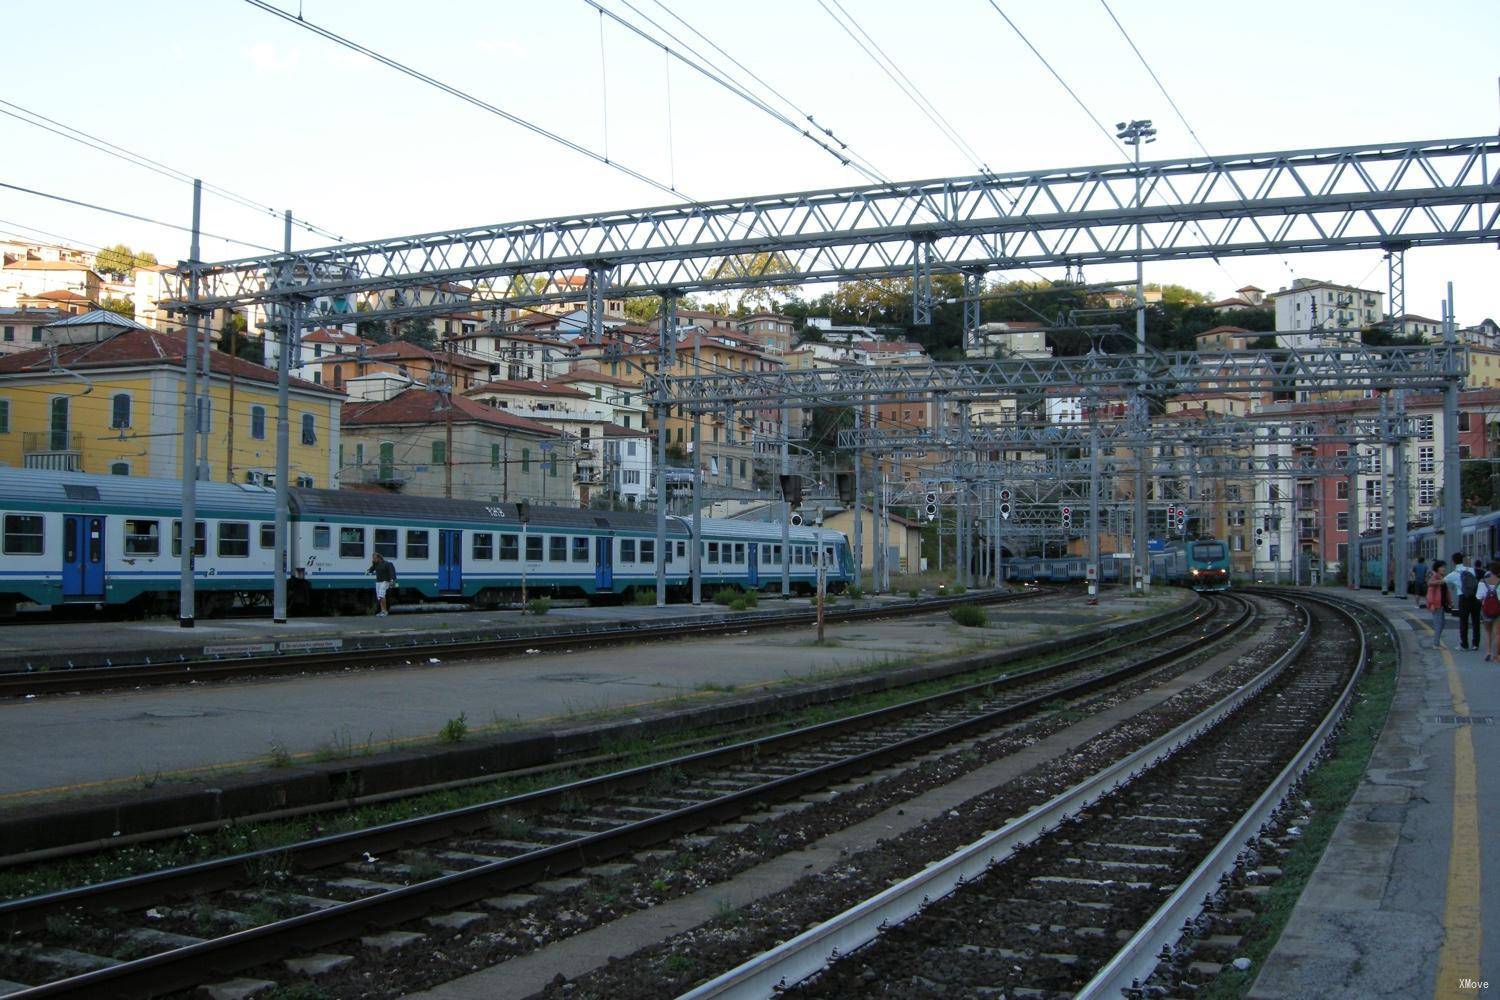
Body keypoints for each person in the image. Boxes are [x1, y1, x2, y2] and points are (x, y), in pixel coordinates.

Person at [1447, 554, 1480, 651]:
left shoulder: (1453, 574)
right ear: (1463, 560)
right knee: (1476, 621)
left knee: (1463, 622)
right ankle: (1475, 644)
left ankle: (1464, 644)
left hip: (1463, 598)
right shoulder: (1471, 570)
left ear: (1453, 561)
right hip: (1474, 597)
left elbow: (1442, 581)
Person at [368, 551, 397, 618]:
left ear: (379, 558)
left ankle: (385, 611)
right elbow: (372, 569)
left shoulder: (388, 564)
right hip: (378, 582)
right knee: (379, 597)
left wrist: (392, 580)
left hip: (385, 581)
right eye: (373, 558)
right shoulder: (376, 564)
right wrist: (369, 571)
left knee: (381, 595)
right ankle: (382, 611)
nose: (373, 560)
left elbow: (392, 572)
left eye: (374, 558)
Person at [1429, 560, 1450, 648]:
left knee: (1442, 624)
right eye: (1442, 567)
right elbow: (1430, 591)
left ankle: (1437, 642)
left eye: (1444, 567)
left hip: (1441, 604)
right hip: (1436, 604)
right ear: (1437, 568)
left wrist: (1450, 601)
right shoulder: (1435, 578)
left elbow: (1446, 591)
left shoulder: (1441, 578)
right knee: (1438, 624)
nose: (1444, 568)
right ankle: (1436, 644)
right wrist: (1431, 604)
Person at [1482, 570, 1500, 662]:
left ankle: (1488, 652)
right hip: (1498, 610)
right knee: (1497, 634)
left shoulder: (1483, 582)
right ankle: (1496, 656)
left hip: (1486, 611)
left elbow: (1478, 597)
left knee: (1487, 632)